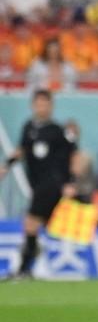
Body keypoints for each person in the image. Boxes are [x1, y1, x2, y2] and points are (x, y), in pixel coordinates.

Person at [0, 90, 78, 280]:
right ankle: (31, 255)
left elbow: (71, 156)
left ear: (50, 106)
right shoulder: (29, 127)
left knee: (31, 222)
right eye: (38, 103)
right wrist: (7, 165)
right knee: (37, 224)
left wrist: (70, 182)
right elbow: (23, 150)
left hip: (52, 182)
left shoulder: (57, 130)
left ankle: (25, 267)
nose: (41, 107)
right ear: (33, 105)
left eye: (45, 103)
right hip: (37, 183)